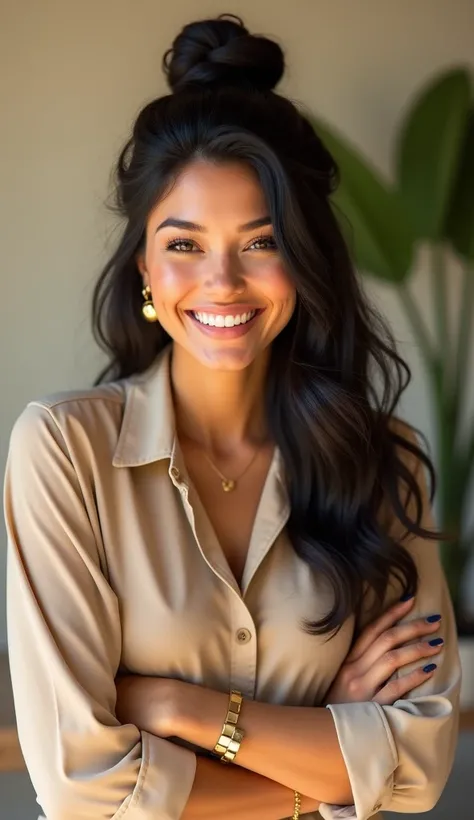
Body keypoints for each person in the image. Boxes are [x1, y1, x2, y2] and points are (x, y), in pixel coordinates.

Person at [4, 14, 460, 820]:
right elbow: (81, 787)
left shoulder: (386, 462)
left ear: (306, 258)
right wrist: (327, 744)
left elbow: (419, 765)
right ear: (144, 264)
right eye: (184, 245)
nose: (222, 282)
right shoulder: (64, 454)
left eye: (260, 242)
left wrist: (180, 708)